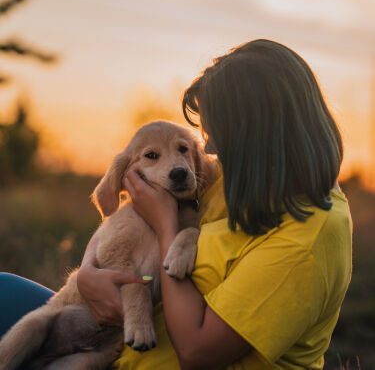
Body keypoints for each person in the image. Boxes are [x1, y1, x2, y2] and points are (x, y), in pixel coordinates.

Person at [1, 39, 352, 370]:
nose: (210, 152)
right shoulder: (244, 179)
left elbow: (197, 353)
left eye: (219, 138)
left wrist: (167, 225)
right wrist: (90, 272)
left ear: (258, 133)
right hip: (101, 331)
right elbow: (124, 217)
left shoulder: (306, 241)